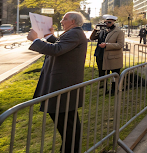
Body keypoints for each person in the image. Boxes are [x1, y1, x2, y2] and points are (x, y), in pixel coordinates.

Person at [27, 11, 88, 153]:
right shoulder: (74, 33)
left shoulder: (75, 33)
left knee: (67, 124)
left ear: (72, 21)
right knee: (69, 124)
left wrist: (36, 40)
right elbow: (62, 46)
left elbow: (58, 49)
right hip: (62, 85)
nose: (61, 21)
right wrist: (49, 36)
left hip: (63, 86)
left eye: (64, 19)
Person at [90, 15, 124, 94]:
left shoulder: (118, 32)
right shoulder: (102, 31)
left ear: (113, 22)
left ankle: (114, 90)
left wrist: (107, 45)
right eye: (106, 22)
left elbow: (120, 45)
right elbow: (92, 38)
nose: (107, 23)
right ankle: (103, 88)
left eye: (109, 22)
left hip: (112, 57)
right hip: (100, 55)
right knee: (102, 73)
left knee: (114, 74)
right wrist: (95, 29)